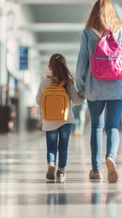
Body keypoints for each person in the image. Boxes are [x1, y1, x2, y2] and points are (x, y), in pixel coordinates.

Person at [76, 0, 122, 183]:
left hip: (95, 89)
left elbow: (81, 65)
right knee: (113, 126)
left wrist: (81, 87)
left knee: (96, 127)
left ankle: (96, 170)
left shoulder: (88, 34)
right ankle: (111, 157)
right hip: (117, 88)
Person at [36, 54, 85, 182]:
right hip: (66, 119)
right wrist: (84, 96)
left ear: (49, 67)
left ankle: (51, 164)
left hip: (49, 120)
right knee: (63, 147)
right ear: (65, 66)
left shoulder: (44, 82)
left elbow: (38, 101)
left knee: (51, 147)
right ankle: (61, 172)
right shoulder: (69, 82)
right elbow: (77, 100)